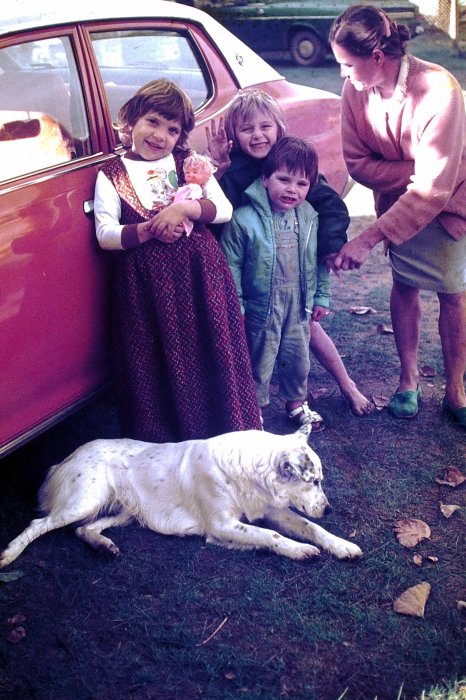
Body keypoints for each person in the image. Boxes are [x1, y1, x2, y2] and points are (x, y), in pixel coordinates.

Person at [94, 79, 262, 442]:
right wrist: (148, 230)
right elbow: (105, 233)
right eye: (153, 122)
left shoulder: (189, 163)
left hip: (199, 276)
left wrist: (185, 207)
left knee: (209, 350)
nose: (160, 135)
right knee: (157, 361)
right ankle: (168, 447)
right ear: (131, 120)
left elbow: (224, 210)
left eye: (172, 130)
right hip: (146, 288)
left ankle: (227, 437)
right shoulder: (111, 174)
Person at [329, 4, 466, 428]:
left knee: (453, 292)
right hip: (398, 205)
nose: (342, 74)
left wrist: (366, 238)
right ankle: (408, 381)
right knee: (404, 285)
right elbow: (357, 162)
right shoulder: (355, 91)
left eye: (347, 64)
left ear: (377, 58)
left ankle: (455, 388)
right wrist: (417, 170)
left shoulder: (440, 90)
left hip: (448, 208)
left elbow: (435, 189)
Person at [206, 89, 373, 419]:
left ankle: (346, 385)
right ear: (233, 135)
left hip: (291, 275)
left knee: (306, 335)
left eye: (265, 127)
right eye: (247, 129)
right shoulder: (235, 171)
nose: (258, 136)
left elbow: (330, 207)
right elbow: (218, 218)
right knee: (254, 351)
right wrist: (217, 167)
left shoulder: (294, 161)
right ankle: (247, 410)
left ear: (279, 127)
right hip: (255, 284)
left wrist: (327, 250)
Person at [220, 136, 330, 427]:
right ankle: (252, 412)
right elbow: (230, 265)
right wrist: (237, 305)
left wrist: (321, 296)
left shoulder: (309, 218)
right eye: (284, 180)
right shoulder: (243, 219)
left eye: (301, 184)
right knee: (260, 360)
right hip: (260, 307)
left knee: (298, 360)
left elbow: (319, 259)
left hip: (298, 306)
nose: (292, 190)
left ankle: (296, 405)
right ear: (266, 179)